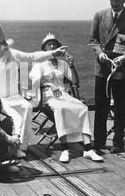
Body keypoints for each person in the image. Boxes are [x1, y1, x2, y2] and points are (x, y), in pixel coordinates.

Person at [0, 25, 68, 159]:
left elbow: (32, 56)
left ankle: (21, 146)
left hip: (15, 96)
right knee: (16, 118)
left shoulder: (12, 53)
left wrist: (53, 53)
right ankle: (10, 146)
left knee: (27, 107)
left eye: (4, 45)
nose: (3, 49)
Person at [30, 33, 103, 163]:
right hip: (48, 96)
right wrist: (49, 84)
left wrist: (72, 65)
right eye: (49, 44)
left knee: (83, 108)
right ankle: (65, 149)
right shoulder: (40, 63)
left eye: (54, 44)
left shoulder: (63, 64)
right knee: (61, 109)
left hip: (63, 94)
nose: (52, 46)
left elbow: (75, 82)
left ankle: (87, 148)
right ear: (45, 48)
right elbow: (34, 81)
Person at [89, 0, 125, 154]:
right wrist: (100, 54)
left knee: (120, 107)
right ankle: (98, 141)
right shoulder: (99, 15)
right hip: (103, 68)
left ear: (124, 0)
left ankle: (118, 142)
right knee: (101, 106)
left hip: (121, 69)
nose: (115, 2)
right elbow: (93, 40)